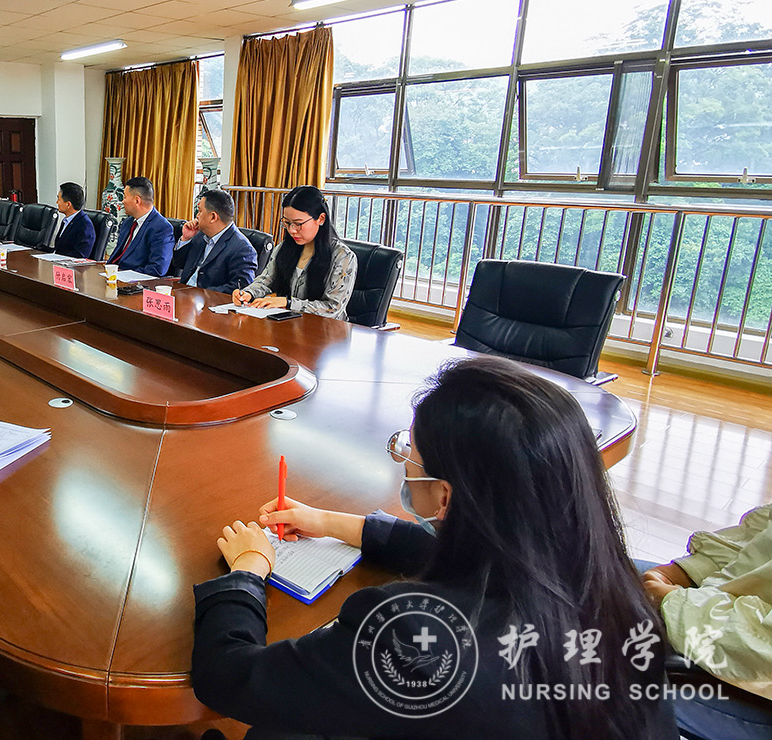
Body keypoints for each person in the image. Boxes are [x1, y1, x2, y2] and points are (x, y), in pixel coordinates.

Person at [193, 356, 675, 740]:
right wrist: (331, 522)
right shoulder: (616, 589)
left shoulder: (416, 637)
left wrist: (248, 572)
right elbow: (468, 555)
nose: (404, 461)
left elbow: (229, 677)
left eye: (410, 452)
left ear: (444, 496)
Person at [641, 504, 772, 739]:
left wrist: (674, 602)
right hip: (718, 610)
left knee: (605, 670)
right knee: (594, 579)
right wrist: (685, 572)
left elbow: (763, 651)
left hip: (755, 671)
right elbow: (760, 539)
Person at [234, 185, 355, 319]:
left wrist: (288, 303)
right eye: (287, 223)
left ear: (321, 219)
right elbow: (266, 280)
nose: (292, 230)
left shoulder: (343, 256)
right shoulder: (284, 248)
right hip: (288, 323)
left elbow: (332, 308)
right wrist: (248, 293)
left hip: (326, 329)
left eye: (298, 224)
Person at [170, 189, 257, 293]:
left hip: (207, 300)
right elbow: (179, 264)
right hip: (183, 293)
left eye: (200, 211)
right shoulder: (200, 235)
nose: (197, 216)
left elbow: (240, 289)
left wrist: (200, 293)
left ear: (213, 217)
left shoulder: (243, 249)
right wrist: (186, 238)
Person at [106, 176, 174, 277]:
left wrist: (125, 276)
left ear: (137, 201)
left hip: (134, 281)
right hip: (114, 276)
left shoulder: (162, 228)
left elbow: (157, 268)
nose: (122, 201)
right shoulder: (127, 222)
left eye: (125, 197)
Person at [50, 181, 95, 258]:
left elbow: (81, 255)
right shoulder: (66, 221)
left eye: (59, 199)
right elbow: (60, 249)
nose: (57, 202)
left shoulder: (85, 225)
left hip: (69, 264)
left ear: (68, 204)